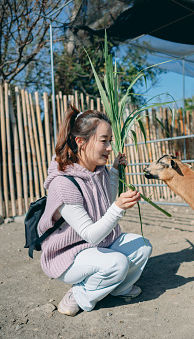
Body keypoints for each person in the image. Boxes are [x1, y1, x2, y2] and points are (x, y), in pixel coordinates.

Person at [37, 106, 152, 316]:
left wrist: (115, 169)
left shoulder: (97, 170)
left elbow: (106, 199)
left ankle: (118, 287)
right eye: (104, 140)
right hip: (70, 253)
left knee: (143, 246)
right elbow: (90, 234)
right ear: (81, 141)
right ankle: (79, 294)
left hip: (99, 244)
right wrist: (118, 208)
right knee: (117, 263)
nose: (109, 147)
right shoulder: (63, 184)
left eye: (110, 141)